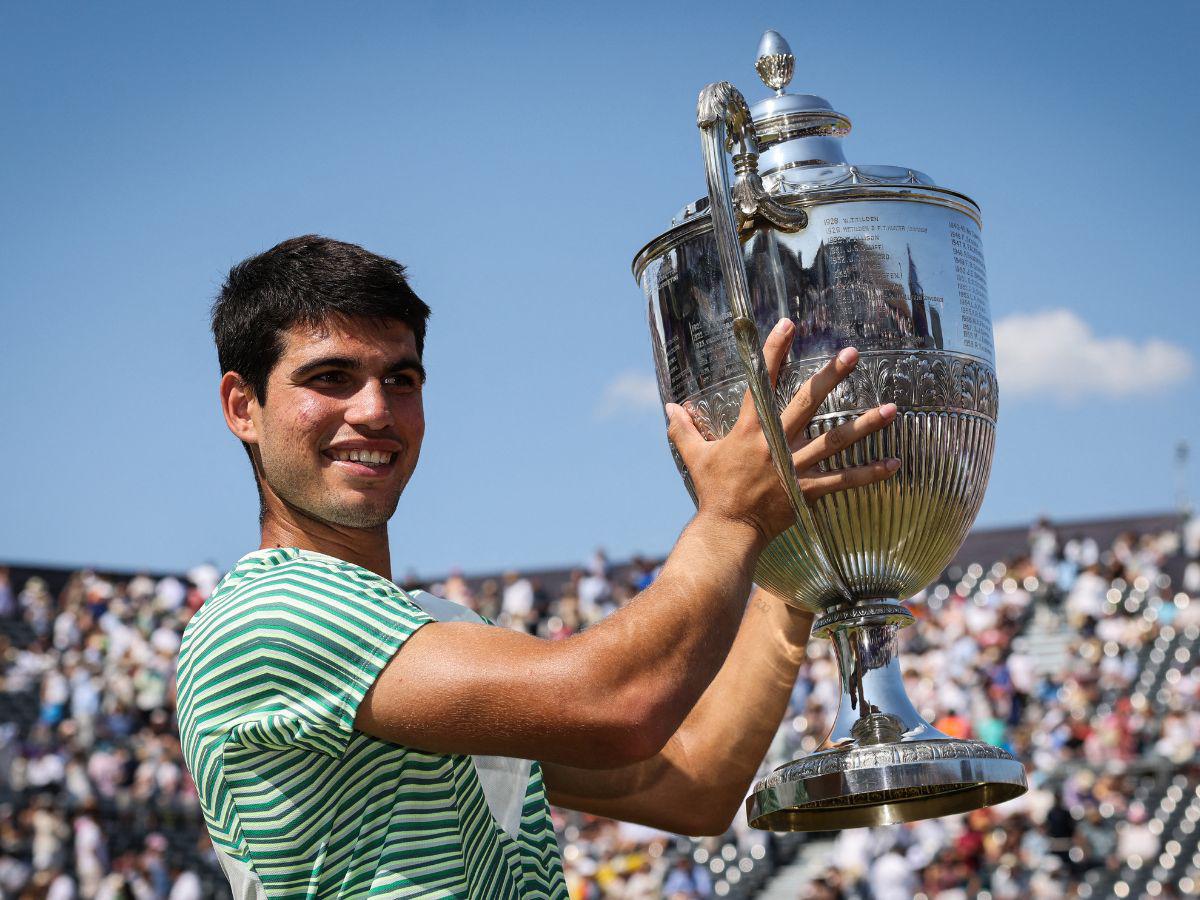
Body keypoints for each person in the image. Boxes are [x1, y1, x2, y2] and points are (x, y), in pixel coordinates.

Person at [175, 235, 900, 898]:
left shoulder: (437, 628)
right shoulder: (266, 615)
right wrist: (735, 517)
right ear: (243, 407)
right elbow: (618, 706)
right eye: (330, 377)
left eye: (401, 379)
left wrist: (797, 561)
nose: (374, 410)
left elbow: (695, 785)